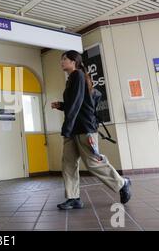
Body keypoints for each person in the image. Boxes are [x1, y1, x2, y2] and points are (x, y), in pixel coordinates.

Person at [51, 50, 131, 210]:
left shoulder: (78, 75)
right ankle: (73, 198)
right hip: (73, 128)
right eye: (61, 59)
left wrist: (66, 126)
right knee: (68, 163)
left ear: (74, 62)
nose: (62, 62)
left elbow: (77, 103)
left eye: (65, 59)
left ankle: (122, 183)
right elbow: (76, 103)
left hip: (83, 128)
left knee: (92, 163)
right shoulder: (71, 79)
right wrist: (62, 105)